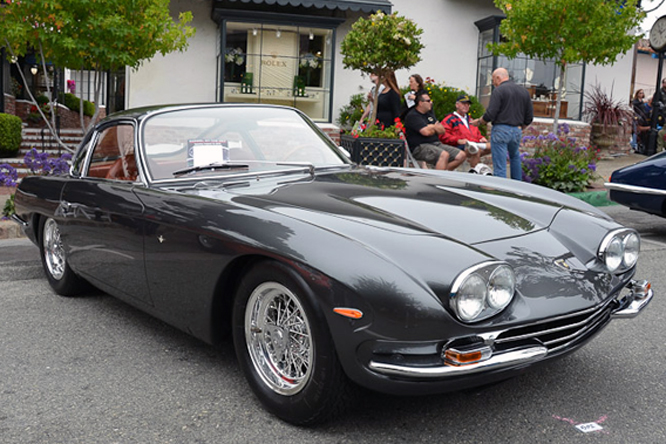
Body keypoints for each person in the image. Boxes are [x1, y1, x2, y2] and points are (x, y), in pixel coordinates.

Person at [470, 68, 533, 179]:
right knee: (515, 158)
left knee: (500, 163)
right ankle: (517, 188)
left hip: (501, 130)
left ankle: (501, 190)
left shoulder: (499, 91)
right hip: (517, 131)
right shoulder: (524, 91)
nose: (493, 83)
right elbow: (529, 117)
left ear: (498, 78)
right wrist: (520, 127)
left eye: (493, 80)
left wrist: (479, 122)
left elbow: (491, 113)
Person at [404, 92, 466, 171]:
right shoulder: (413, 116)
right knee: (444, 155)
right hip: (420, 147)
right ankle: (438, 179)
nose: (431, 103)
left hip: (436, 144)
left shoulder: (429, 115)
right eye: (428, 101)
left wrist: (431, 127)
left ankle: (442, 173)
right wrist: (434, 127)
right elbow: (426, 132)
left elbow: (442, 130)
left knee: (461, 155)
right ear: (420, 103)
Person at [439, 94, 492, 168]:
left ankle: (474, 168)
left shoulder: (470, 120)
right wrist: (458, 140)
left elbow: (477, 134)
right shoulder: (449, 119)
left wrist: (481, 138)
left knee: (493, 147)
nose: (466, 106)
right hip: (457, 146)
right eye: (463, 103)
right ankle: (474, 172)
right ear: (457, 105)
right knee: (476, 150)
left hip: (472, 144)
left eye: (468, 104)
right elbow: (442, 135)